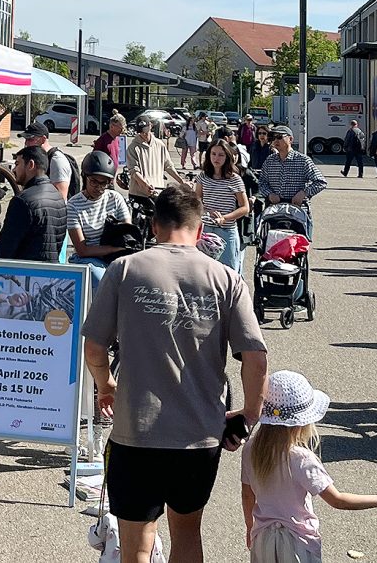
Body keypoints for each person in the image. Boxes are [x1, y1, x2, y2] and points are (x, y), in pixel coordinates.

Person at [83, 186, 268, 563]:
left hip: (135, 431)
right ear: (199, 230)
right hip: (198, 436)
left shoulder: (124, 269)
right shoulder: (226, 278)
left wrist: (106, 385)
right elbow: (255, 357)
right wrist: (250, 413)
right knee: (186, 531)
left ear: (154, 225)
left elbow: (94, 347)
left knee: (136, 544)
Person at [241, 371, 377, 561]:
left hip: (263, 540)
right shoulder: (302, 459)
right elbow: (338, 500)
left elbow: (247, 494)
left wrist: (250, 527)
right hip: (297, 544)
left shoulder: (251, 448)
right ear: (302, 423)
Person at [66, 151, 130, 293]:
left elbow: (128, 233)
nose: (99, 188)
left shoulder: (115, 199)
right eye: (94, 181)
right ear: (85, 177)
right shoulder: (73, 205)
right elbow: (82, 250)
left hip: (116, 256)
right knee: (102, 280)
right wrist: (113, 249)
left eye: (104, 183)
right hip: (89, 257)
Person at [0, 146, 67, 261]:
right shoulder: (58, 197)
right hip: (52, 270)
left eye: (17, 164)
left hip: (23, 269)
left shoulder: (22, 201)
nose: (13, 170)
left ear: (31, 165)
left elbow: (5, 249)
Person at [258, 126, 326, 238]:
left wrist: (304, 193)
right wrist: (269, 194)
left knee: (296, 245)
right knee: (270, 243)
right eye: (273, 138)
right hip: (274, 211)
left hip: (297, 212)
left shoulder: (303, 160)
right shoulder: (270, 160)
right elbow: (262, 182)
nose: (276, 140)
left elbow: (321, 182)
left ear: (290, 139)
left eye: (279, 137)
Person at [197, 140, 250, 274]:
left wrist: (225, 218)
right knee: (203, 271)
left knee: (228, 272)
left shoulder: (234, 179)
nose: (216, 158)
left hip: (226, 230)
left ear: (227, 157)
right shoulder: (203, 176)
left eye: (221, 155)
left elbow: (244, 207)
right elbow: (196, 201)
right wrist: (207, 211)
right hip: (206, 230)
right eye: (213, 154)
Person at [126, 118, 189, 203]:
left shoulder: (160, 145)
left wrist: (181, 181)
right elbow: (134, 171)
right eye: (141, 131)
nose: (143, 134)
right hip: (138, 194)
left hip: (157, 192)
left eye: (145, 130)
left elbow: (168, 166)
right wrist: (145, 185)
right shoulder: (132, 147)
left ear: (150, 126)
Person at [18, 121, 73, 200]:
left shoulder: (57, 160)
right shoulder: (36, 159)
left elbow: (61, 198)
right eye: (26, 139)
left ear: (43, 139)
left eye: (30, 139)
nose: (26, 143)